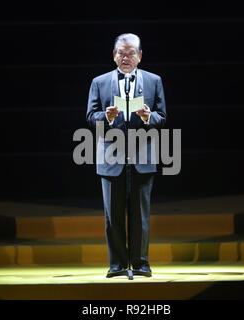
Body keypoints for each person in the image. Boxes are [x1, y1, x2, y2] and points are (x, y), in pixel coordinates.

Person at [86, 33, 167, 278]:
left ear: (140, 56)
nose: (126, 57)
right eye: (121, 53)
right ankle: (118, 264)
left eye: (131, 53)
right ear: (114, 55)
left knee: (140, 214)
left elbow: (162, 117)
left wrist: (147, 117)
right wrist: (107, 117)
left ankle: (141, 263)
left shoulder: (154, 81)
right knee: (113, 215)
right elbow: (91, 117)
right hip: (112, 158)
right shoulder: (99, 82)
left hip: (142, 157)